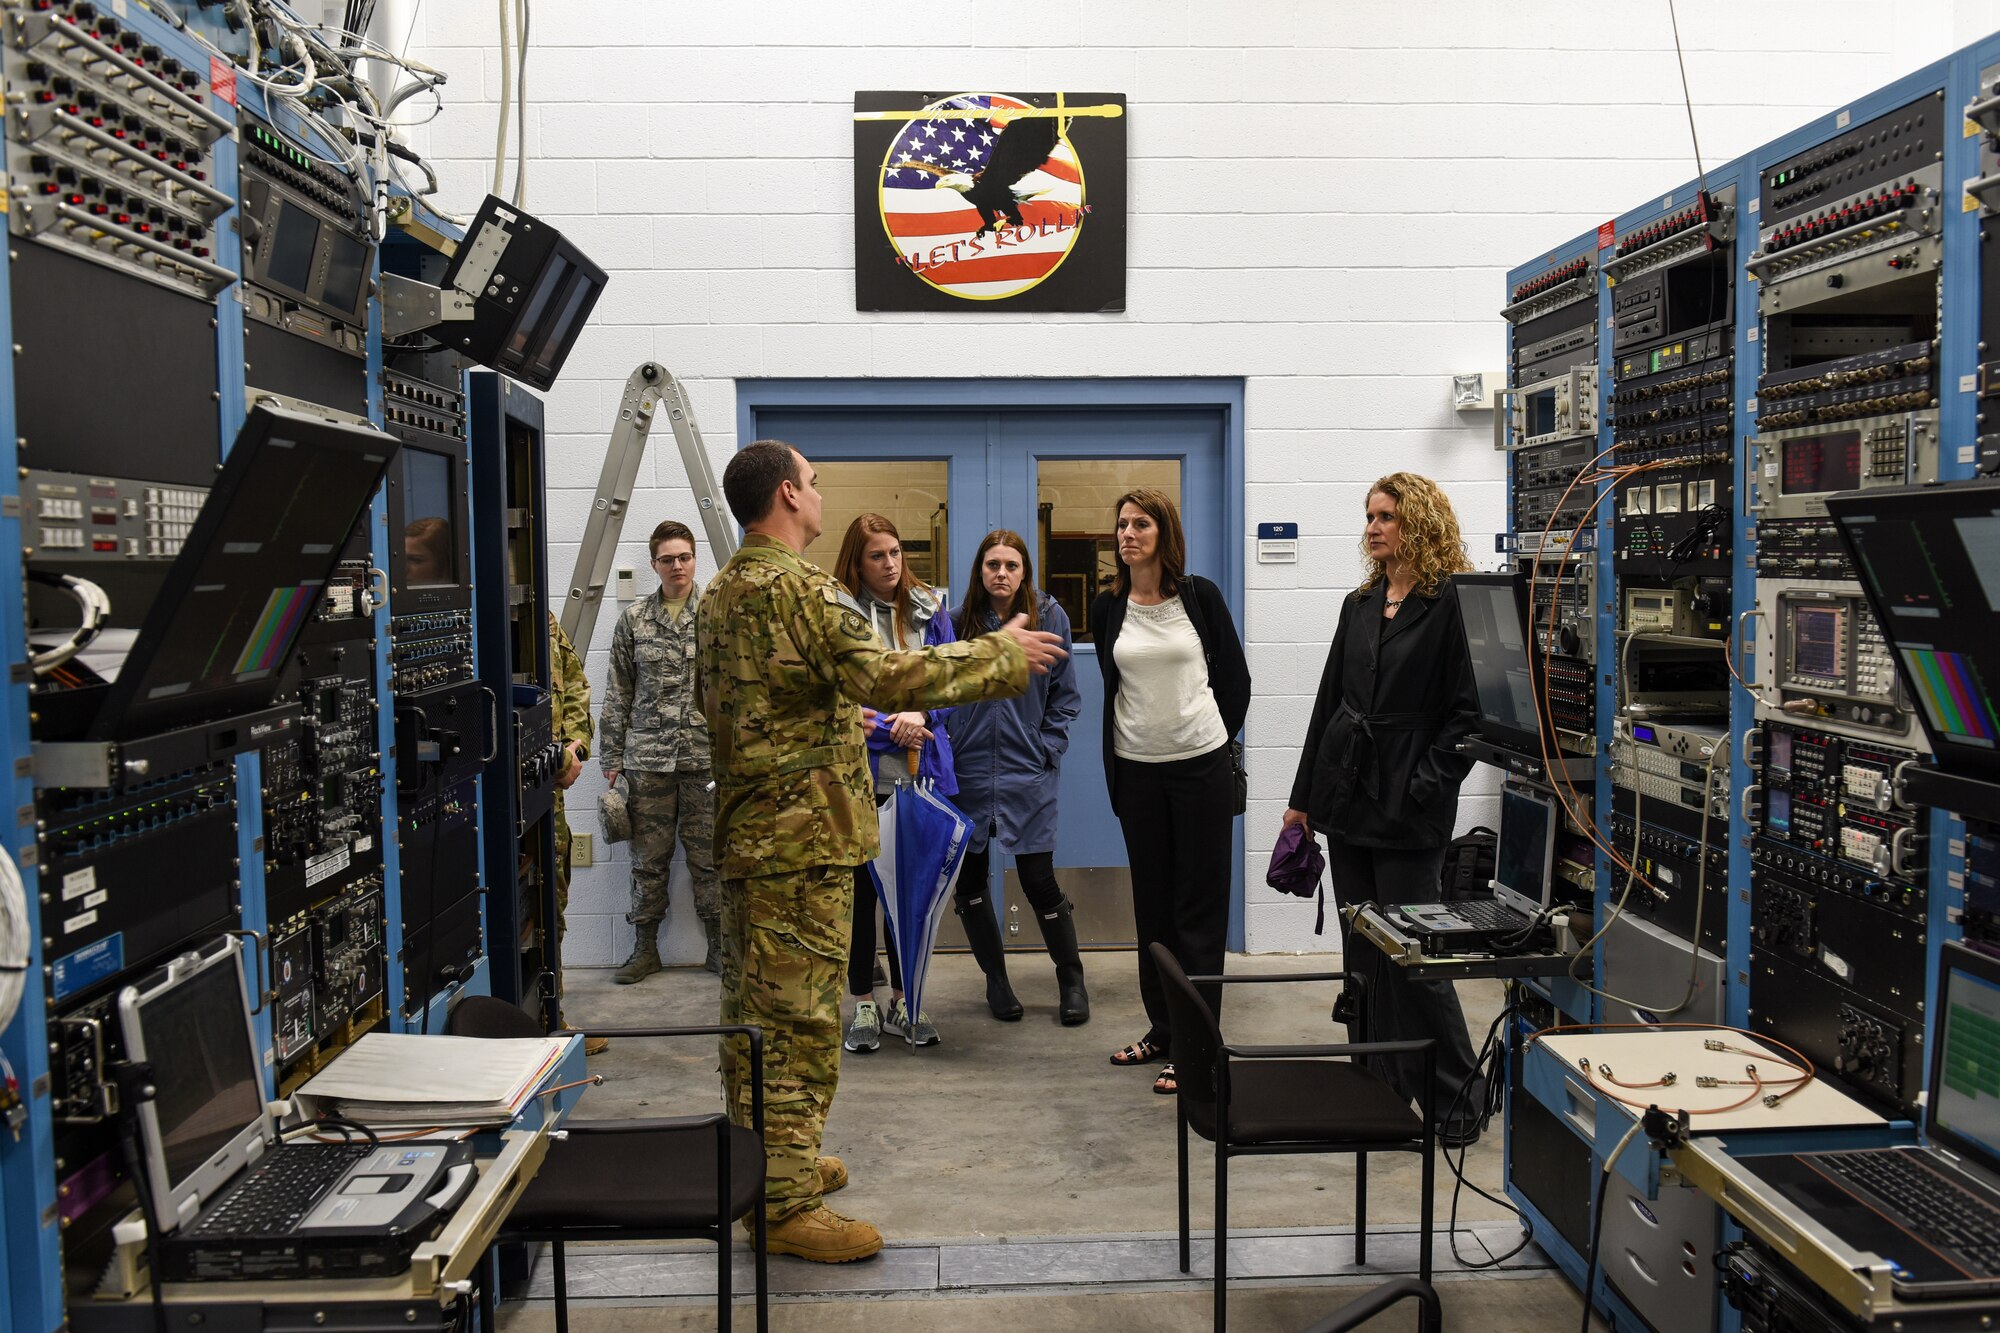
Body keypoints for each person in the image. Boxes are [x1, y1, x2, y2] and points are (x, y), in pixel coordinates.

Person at [695, 439, 1065, 1262]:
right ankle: (784, 1206)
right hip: (802, 844)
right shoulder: (801, 590)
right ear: (789, 495)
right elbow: (887, 676)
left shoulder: (722, 591)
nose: (820, 494)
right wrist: (1004, 654)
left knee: (753, 1015)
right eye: (815, 482)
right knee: (800, 1022)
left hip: (755, 840)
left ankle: (771, 1167)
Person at [1283, 472, 1485, 1147]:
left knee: (1416, 959)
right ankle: (1376, 1085)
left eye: (1387, 515)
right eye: (1369, 515)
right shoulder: (1360, 602)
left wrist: (1428, 781)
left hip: (1410, 803)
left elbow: (1469, 714)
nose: (1374, 527)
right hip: (1349, 796)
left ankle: (1460, 1098)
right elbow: (1328, 704)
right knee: (1362, 957)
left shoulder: (1451, 603)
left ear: (1419, 523)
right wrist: (1301, 801)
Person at [1089, 488, 1249, 1097]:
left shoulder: (1199, 597)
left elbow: (1234, 682)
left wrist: (1204, 737)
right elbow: (1115, 686)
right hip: (1137, 773)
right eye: (1122, 524)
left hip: (1201, 772)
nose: (1128, 534)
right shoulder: (1110, 608)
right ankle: (1163, 1028)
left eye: (1141, 524)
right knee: (1153, 908)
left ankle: (1197, 1043)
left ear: (1164, 533)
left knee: (1199, 912)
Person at [950, 530, 1088, 1025]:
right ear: (980, 571)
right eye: (992, 564)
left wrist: (1046, 748)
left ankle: (1071, 978)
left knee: (1037, 878)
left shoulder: (1051, 617)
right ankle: (996, 980)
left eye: (1011, 564)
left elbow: (1065, 695)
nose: (1001, 573)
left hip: (1026, 771)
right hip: (967, 773)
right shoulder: (956, 623)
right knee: (969, 880)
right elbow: (940, 692)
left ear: (1024, 570)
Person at [834, 514, 957, 1052]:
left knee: (911, 892)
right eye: (876, 556)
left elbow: (950, 683)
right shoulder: (838, 615)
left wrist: (923, 719)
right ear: (856, 564)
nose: (890, 565)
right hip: (858, 780)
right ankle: (864, 1003)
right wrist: (891, 725)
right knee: (862, 897)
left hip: (918, 774)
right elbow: (839, 699)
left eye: (895, 553)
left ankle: (907, 1000)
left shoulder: (930, 611)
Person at [600, 520, 722, 982]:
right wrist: (610, 757)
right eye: (667, 559)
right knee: (647, 860)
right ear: (655, 565)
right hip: (647, 761)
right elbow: (618, 692)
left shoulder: (716, 615)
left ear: (696, 560)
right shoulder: (633, 621)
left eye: (684, 557)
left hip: (704, 759)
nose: (677, 566)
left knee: (709, 856)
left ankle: (718, 948)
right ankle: (644, 949)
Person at [547, 612, 607, 1057]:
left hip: (546, 797)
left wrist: (573, 747)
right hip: (496, 796)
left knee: (550, 900)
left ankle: (550, 1016)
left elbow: (575, 687)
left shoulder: (543, 623)